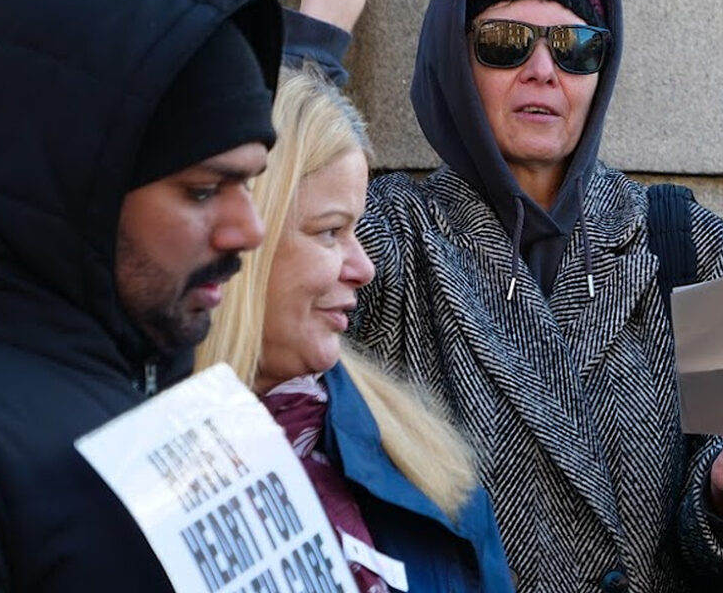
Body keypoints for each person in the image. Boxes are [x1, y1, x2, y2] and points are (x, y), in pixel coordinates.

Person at [291, 0, 723, 592]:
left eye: (574, 48)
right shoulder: (388, 241)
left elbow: (718, 535)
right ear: (457, 61)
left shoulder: (689, 246)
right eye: (506, 43)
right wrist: (318, 30)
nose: (543, 70)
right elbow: (261, 251)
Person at [0, 0, 281, 590]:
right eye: (204, 190)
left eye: (251, 184)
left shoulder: (156, 378)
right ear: (74, 188)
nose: (250, 230)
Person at [197, 65, 515, 592]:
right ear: (242, 239)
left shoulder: (421, 455)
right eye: (330, 232)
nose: (363, 266)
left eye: (357, 231)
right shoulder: (129, 454)